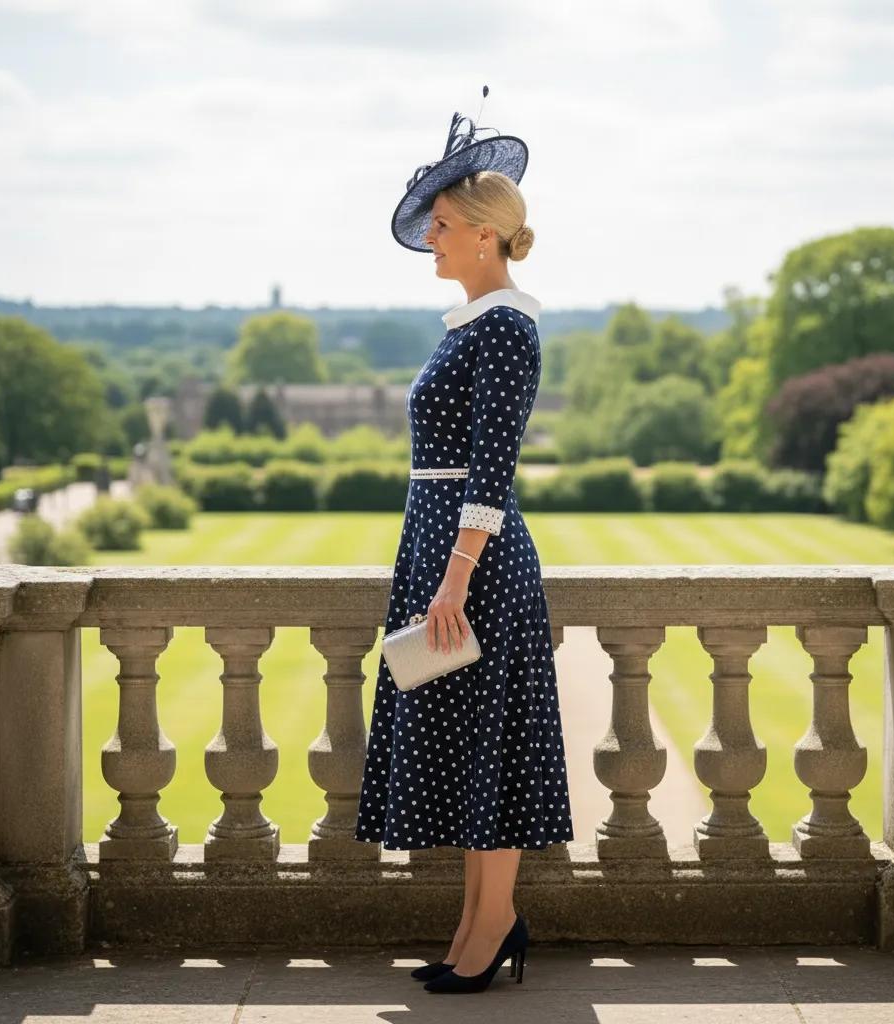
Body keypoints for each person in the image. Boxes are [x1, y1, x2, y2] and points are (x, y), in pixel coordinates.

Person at [353, 89, 574, 995]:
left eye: (442, 225)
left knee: (493, 741)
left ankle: (490, 932)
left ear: (484, 234)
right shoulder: (471, 327)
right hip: (443, 552)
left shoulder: (510, 329)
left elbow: (492, 474)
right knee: (471, 739)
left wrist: (452, 583)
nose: (431, 240)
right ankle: (478, 925)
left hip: (472, 563)